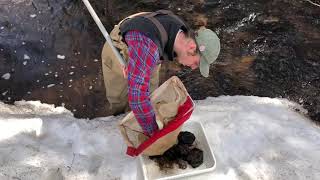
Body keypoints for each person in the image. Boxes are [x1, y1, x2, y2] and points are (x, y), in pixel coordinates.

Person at [101, 10, 220, 137]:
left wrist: (138, 68)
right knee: (121, 99)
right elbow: (137, 98)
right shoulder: (148, 48)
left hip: (146, 46)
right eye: (196, 63)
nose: (193, 68)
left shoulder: (181, 33)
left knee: (151, 97)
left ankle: (141, 119)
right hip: (121, 47)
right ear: (191, 47)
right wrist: (154, 134)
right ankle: (119, 131)